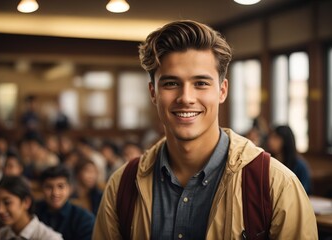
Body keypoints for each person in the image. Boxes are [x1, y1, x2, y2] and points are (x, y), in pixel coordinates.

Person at [92, 20, 318, 239]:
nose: (186, 98)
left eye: (201, 83)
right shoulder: (122, 185)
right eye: (171, 83)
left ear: (222, 91)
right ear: (153, 92)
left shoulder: (275, 184)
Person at [0, 176, 63, 240]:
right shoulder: (0, 236)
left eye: (7, 203)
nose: (0, 210)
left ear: (26, 202)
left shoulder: (50, 238)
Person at [35, 165, 95, 240]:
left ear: (70, 189)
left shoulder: (84, 219)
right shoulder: (33, 212)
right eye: (49, 187)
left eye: (60, 186)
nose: (55, 193)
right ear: (41, 189)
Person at [266, 125, 312, 194]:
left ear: (286, 141)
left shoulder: (300, 165)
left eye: (276, 138)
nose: (270, 141)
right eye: (270, 137)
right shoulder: (268, 162)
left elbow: (304, 191)